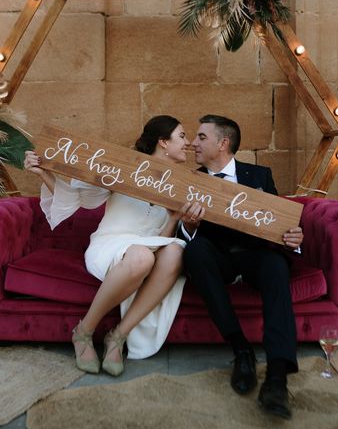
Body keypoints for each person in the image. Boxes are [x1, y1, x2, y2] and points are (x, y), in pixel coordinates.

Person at [24, 115, 204, 376]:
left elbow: (162, 237)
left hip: (148, 249)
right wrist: (43, 172)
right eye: (182, 136)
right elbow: (78, 200)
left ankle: (118, 336)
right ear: (163, 142)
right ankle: (84, 331)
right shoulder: (125, 167)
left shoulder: (181, 184)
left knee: (176, 249)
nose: (187, 143)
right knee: (142, 257)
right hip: (111, 245)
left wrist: (174, 218)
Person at [179, 114, 304, 420]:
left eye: (201, 137)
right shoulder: (191, 181)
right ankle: (241, 349)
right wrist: (188, 226)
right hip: (216, 260)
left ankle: (277, 378)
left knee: (276, 266)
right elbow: (181, 235)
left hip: (255, 257)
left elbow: (280, 221)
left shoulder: (260, 175)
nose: (194, 143)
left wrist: (294, 237)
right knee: (194, 249)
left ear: (223, 144)